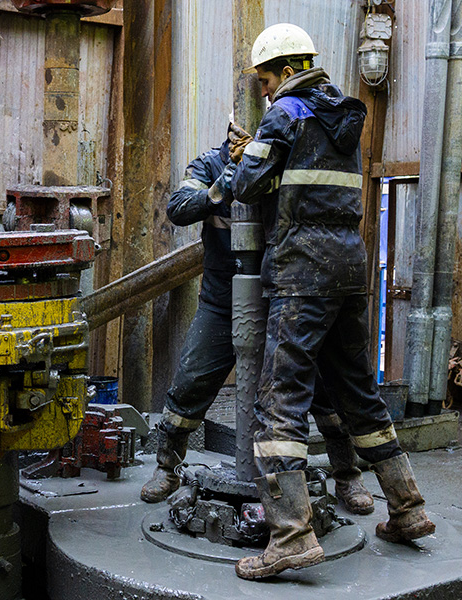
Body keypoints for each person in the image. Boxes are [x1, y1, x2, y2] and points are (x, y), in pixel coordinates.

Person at [229, 23, 435, 580]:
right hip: (349, 267)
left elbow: (247, 186)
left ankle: (290, 537)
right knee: (359, 394)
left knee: (280, 401)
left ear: (287, 71)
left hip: (301, 272)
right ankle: (408, 509)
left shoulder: (283, 114)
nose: (264, 90)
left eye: (266, 80)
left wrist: (246, 154)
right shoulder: (344, 115)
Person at [140, 134, 375, 519]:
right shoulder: (210, 165)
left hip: (283, 298)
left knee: (323, 389)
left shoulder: (283, 163)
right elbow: (179, 207)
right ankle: (167, 467)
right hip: (222, 299)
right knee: (191, 380)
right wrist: (226, 183)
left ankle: (348, 476)